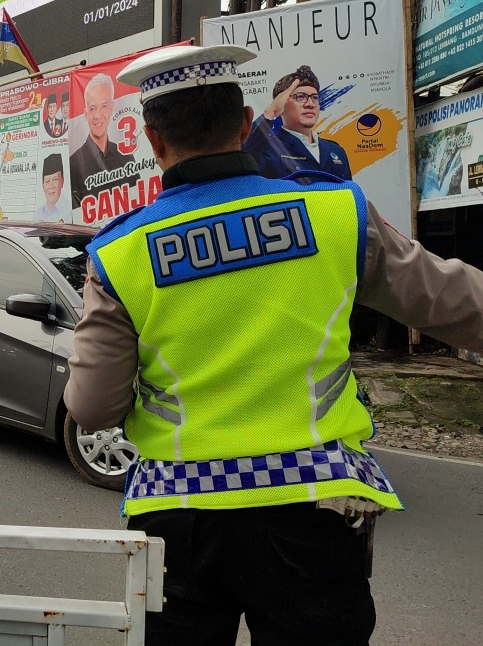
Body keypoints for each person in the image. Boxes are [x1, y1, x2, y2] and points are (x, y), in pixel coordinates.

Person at [63, 43, 483, 645]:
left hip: (180, 520)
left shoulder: (120, 252)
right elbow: (454, 302)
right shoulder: (334, 213)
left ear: (153, 141)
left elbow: (92, 406)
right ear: (244, 124)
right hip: (313, 508)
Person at [243, 65, 352, 180]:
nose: (310, 104)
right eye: (300, 97)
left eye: (315, 98)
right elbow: (241, 156)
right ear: (282, 103)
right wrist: (271, 112)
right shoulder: (268, 149)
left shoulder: (335, 150)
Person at [70, 72, 135, 205]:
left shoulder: (126, 157)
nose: (98, 115)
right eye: (92, 108)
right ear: (85, 113)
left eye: (104, 106)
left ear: (111, 108)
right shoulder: (73, 164)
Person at [32, 153, 66, 222]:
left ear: (62, 181)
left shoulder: (69, 211)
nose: (51, 186)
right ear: (43, 185)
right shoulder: (37, 214)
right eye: (47, 181)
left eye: (55, 179)